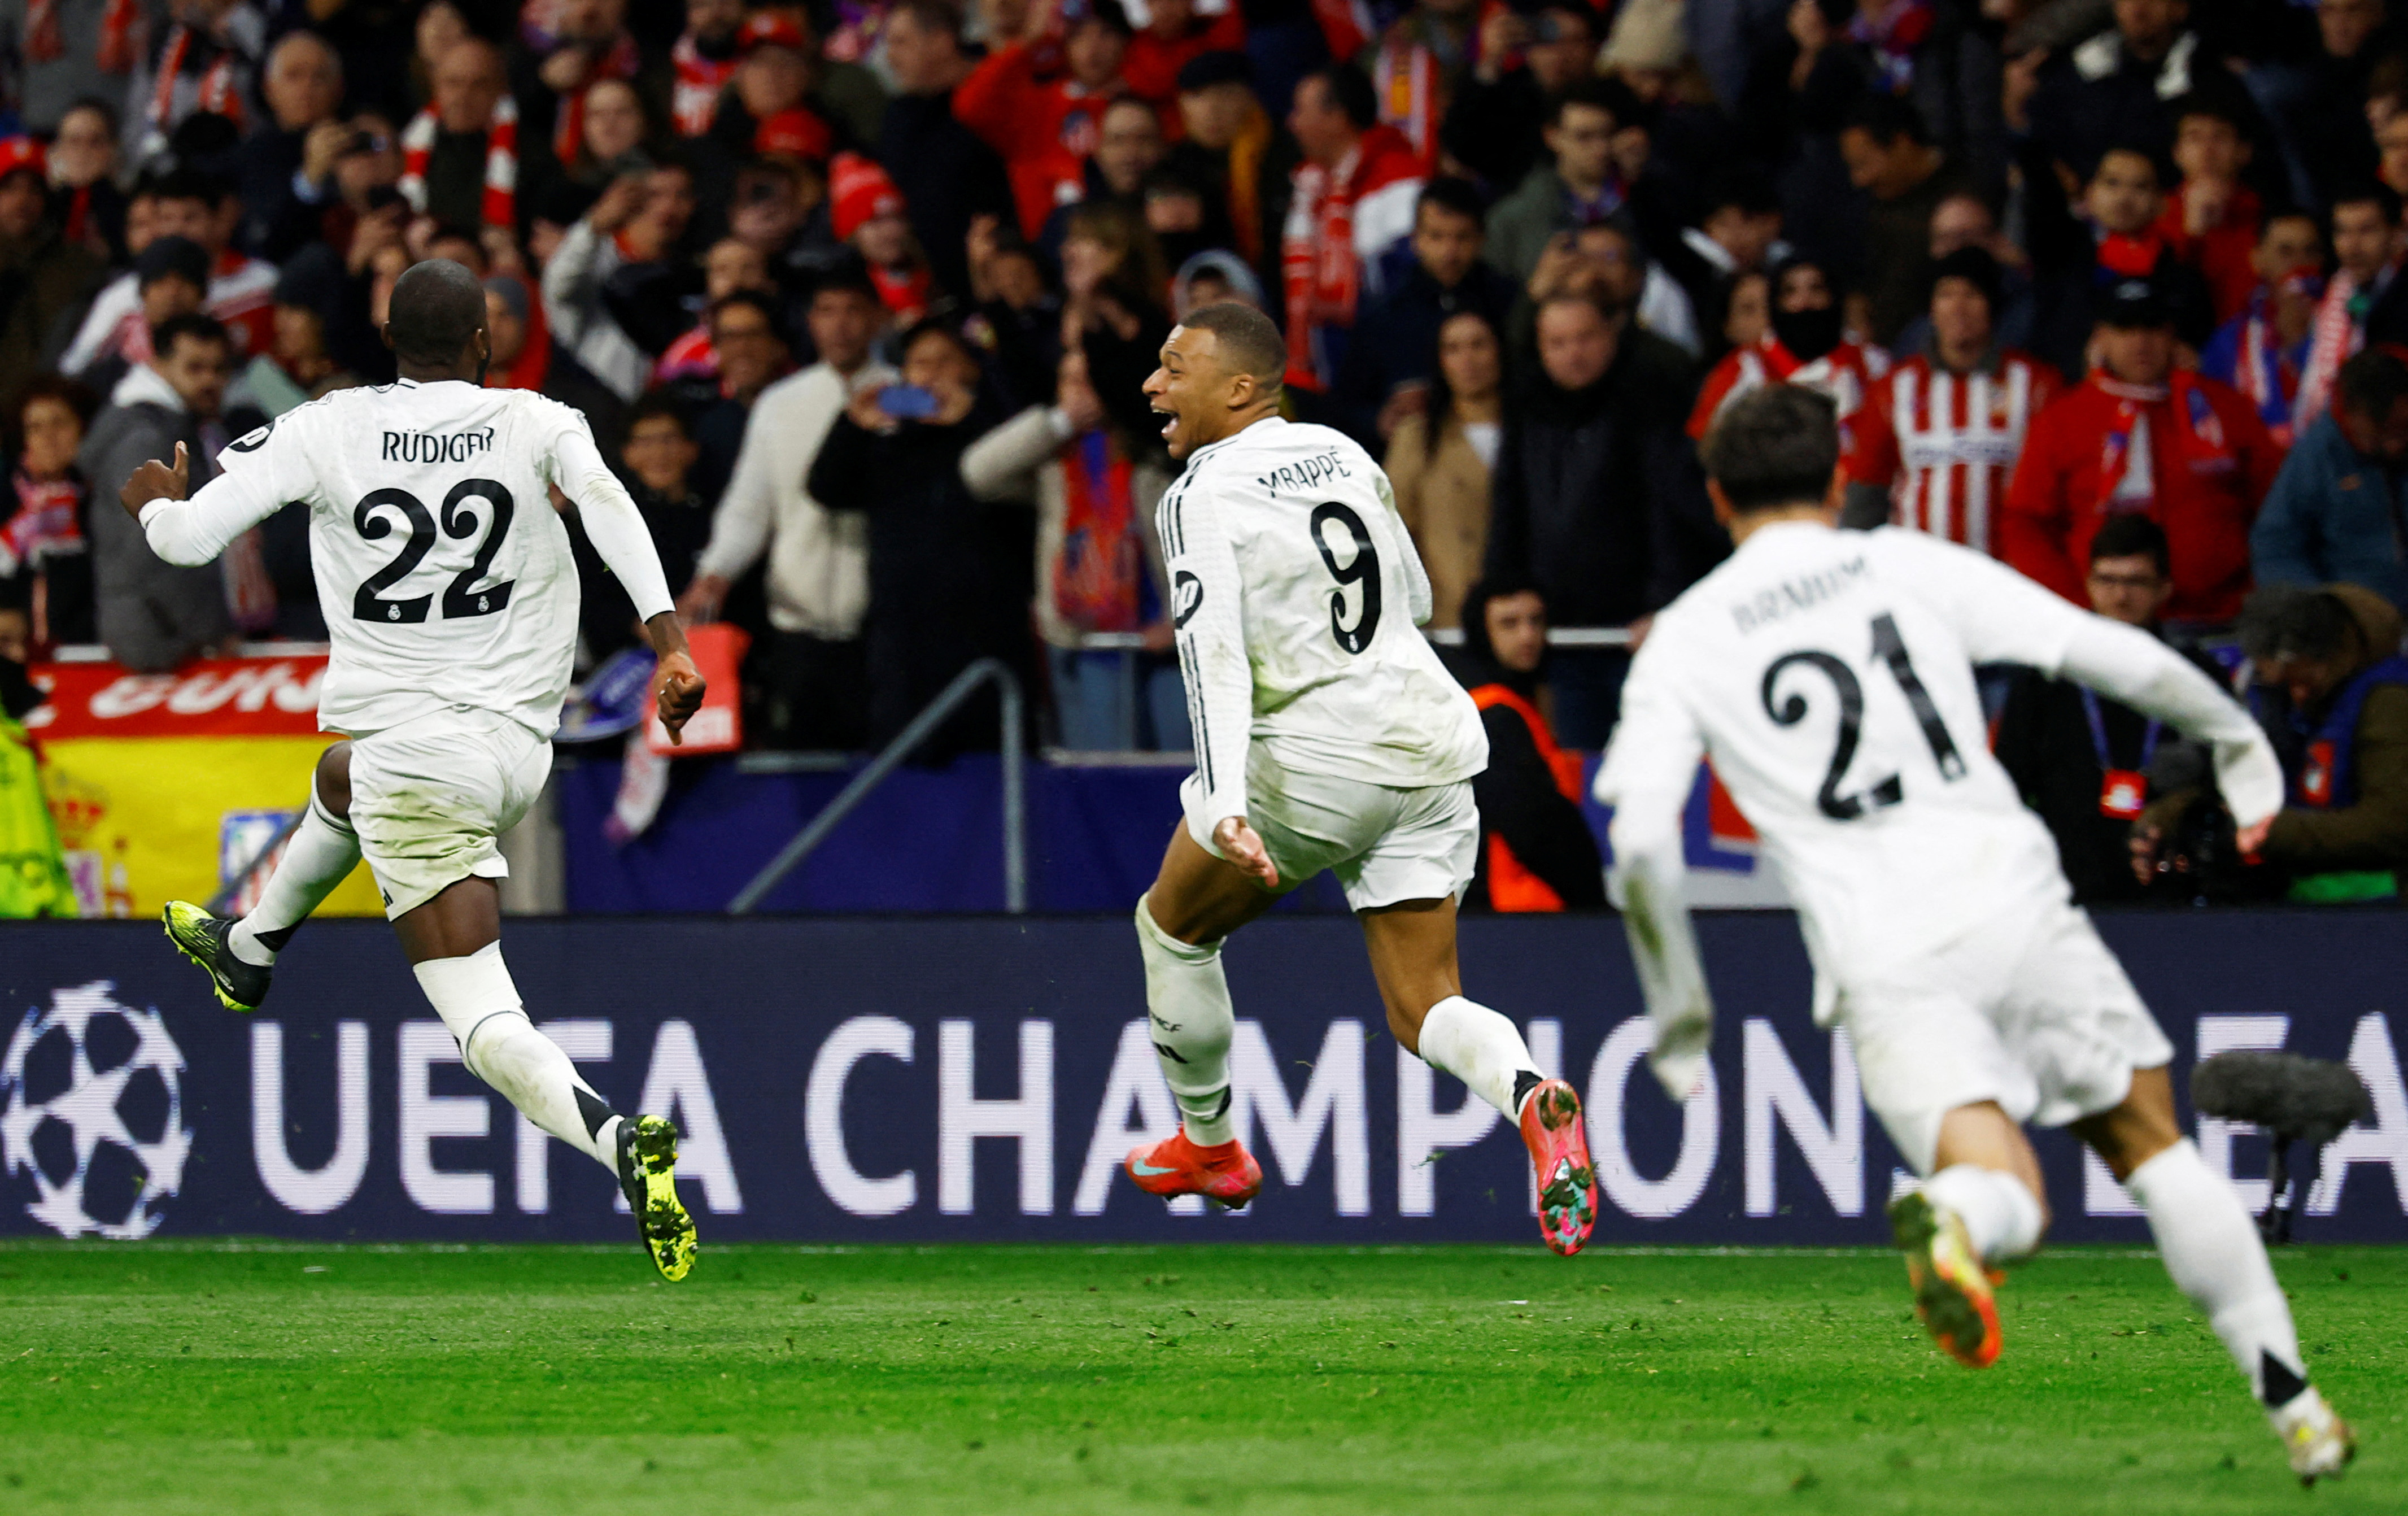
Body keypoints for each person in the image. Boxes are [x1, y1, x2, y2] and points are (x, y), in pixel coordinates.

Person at [1594, 381, 2355, 1485]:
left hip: (1880, 952)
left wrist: (1679, 1015)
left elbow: (1642, 846)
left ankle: (1951, 1211)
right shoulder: (1903, 560)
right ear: (1840, 474)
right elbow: (2106, 653)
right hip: (2008, 894)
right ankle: (2294, 1404)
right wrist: (2236, 740)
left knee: (2009, 1196)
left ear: (1714, 495)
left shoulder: (1685, 639)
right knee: (2146, 1142)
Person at [126, 259, 705, 1283]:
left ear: (388, 340)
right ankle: (251, 949)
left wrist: (157, 506)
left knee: (482, 1017)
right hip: (515, 749)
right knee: (341, 775)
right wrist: (670, 641)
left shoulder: (326, 424)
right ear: (486, 342)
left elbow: (185, 542)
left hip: (415, 759)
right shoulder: (537, 418)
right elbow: (609, 502)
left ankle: (617, 1140)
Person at [1120, 300, 1600, 1256]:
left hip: (1315, 757)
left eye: (1175, 367)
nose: (1152, 383)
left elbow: (1210, 658)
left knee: (1170, 929)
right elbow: (1415, 597)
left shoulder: (1198, 495)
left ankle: (1210, 1144)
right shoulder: (1344, 451)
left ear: (1241, 387)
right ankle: (1528, 1092)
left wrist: (1219, 802)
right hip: (1428, 740)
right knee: (1424, 1002)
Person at [1488, 290, 1720, 746]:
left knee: (1656, 759)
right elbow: (1509, 510)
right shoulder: (1527, 411)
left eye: (1584, 338)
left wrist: (1665, 607)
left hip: (1641, 635)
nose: (1573, 353)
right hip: (1563, 636)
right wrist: (1506, 592)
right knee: (1579, 773)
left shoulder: (1650, 404)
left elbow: (1671, 515)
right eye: (1557, 342)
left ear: (1611, 336)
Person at [680, 268, 896, 750]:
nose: (841, 325)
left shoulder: (905, 396)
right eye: (827, 311)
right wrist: (714, 572)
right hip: (798, 628)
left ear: (880, 319)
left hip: (884, 630)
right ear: (810, 323)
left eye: (854, 310)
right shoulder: (781, 403)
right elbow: (750, 505)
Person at [2003, 277, 2279, 626]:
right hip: (2103, 624)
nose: (2140, 343)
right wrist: (2075, 604)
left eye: (2152, 328)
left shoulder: (2225, 409)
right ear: (2101, 336)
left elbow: (2276, 509)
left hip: (2218, 617)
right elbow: (2025, 524)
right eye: (2125, 329)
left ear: (2171, 335)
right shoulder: (2062, 420)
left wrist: (2254, 591)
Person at [808, 319, 1023, 752]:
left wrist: (970, 419)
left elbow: (1010, 483)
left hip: (981, 631)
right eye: (918, 364)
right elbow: (826, 488)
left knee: (981, 755)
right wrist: (853, 423)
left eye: (945, 361)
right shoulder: (890, 444)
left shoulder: (995, 430)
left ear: (972, 370)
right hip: (901, 634)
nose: (930, 374)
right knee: (903, 752)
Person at [961, 347, 1184, 750]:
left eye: (1088, 381)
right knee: (1103, 780)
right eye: (1069, 381)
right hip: (1087, 643)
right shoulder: (1054, 463)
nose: (1080, 393)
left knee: (1180, 782)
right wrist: (1060, 421)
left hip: (1171, 643)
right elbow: (979, 473)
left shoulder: (1154, 449)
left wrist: (1185, 621)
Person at [1995, 515, 2222, 903]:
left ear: (2164, 588)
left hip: (2170, 882)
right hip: (2067, 882)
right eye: (2107, 581)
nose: (2120, 597)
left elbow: (2224, 776)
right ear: (2088, 584)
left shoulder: (2196, 674)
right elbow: (2009, 778)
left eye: (2135, 582)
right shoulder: (2049, 673)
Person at [2138, 581, 2408, 901]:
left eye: (2302, 681)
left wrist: (2263, 832)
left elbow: (2393, 827)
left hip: (2384, 909)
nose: (2298, 695)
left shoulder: (2389, 703)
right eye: (2284, 686)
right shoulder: (2286, 701)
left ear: (2326, 657)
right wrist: (2173, 816)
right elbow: (2257, 777)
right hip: (2307, 900)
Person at [1844, 248, 2063, 554]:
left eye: (1972, 294)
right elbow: (1867, 492)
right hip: (1920, 577)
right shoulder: (1893, 389)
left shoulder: (2037, 384)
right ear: (1932, 308)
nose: (1959, 307)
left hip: (2007, 576)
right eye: (1947, 295)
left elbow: (2056, 492)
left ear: (1992, 305)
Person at [81, 311, 240, 670]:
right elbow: (157, 548)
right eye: (195, 368)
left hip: (166, 639)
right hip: (162, 647)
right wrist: (211, 629)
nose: (210, 381)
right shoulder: (146, 440)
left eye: (219, 369)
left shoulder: (184, 429)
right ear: (158, 365)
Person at [1453, 577, 1603, 912]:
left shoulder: (1500, 703)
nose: (1528, 636)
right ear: (1482, 631)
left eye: (1536, 621)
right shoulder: (1493, 712)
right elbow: (1534, 826)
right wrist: (1590, 900)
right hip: (1520, 910)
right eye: (1509, 623)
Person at [1333, 178, 1517, 449]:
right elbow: (1344, 405)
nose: (1449, 252)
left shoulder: (1507, 303)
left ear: (1481, 239)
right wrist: (1379, 420)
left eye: (1462, 237)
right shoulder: (1384, 317)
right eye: (1436, 236)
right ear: (1416, 239)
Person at [1279, 64, 1425, 399]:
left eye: (1301, 110)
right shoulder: (1311, 189)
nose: (1292, 122)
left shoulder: (1397, 178)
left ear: (1337, 117)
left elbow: (1405, 282)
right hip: (1327, 372)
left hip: (1385, 376)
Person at [2254, 344, 2408, 609]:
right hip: (2360, 623)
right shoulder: (2317, 455)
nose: (2396, 447)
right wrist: (2320, 610)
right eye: (2379, 437)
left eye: (2403, 431)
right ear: (2350, 416)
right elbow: (2275, 546)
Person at [1386, 308, 1503, 631]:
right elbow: (1394, 528)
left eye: (1479, 345)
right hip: (1448, 620)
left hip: (1523, 621)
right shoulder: (1417, 436)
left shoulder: (1535, 431)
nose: (1468, 360)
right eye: (1453, 349)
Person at [2198, 211, 2324, 446]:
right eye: (2286, 252)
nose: (2300, 264)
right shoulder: (2228, 343)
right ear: (2258, 260)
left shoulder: (2347, 330)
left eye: (2311, 252)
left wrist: (2300, 340)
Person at [1, 376, 101, 650]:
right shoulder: (9, 506)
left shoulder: (104, 501)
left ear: (84, 428)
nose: (48, 438)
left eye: (60, 423)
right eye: (35, 428)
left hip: (90, 656)